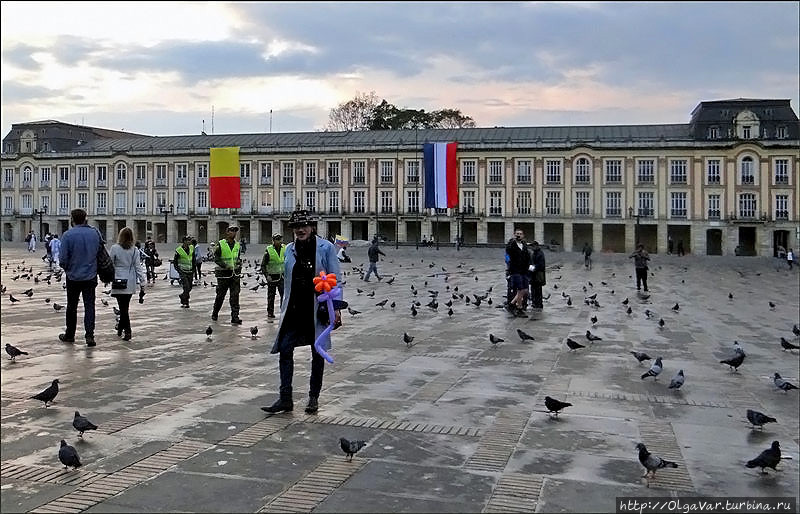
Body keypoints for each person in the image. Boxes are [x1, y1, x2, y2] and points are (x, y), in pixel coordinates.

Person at [261, 209, 343, 415]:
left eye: (304, 226)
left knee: (318, 354)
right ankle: (285, 398)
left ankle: (313, 397)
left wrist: (337, 309)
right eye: (296, 227)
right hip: (294, 309)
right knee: (285, 350)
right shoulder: (289, 249)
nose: (300, 230)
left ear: (312, 227)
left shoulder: (326, 248)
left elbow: (335, 279)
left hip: (316, 309)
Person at [58, 209, 101, 347]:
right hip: (90, 276)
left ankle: (70, 334)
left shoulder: (67, 235)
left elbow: (63, 259)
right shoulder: (95, 233)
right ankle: (89, 336)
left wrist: (69, 269)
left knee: (72, 306)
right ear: (85, 218)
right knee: (90, 306)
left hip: (73, 277)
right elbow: (99, 253)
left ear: (72, 219)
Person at [110, 227, 146, 341]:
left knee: (123, 307)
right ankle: (121, 328)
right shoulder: (135, 250)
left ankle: (128, 331)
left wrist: (107, 278)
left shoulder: (115, 248)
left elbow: (110, 264)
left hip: (117, 280)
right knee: (125, 307)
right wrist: (142, 282)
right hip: (129, 280)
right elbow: (138, 267)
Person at [211, 226, 243, 324]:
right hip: (223, 275)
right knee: (220, 296)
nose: (234, 233)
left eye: (235, 231)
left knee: (235, 296)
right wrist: (225, 266)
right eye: (232, 231)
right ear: (227, 232)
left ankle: (235, 317)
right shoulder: (221, 244)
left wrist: (239, 263)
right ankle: (215, 313)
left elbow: (237, 258)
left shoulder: (237, 245)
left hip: (234, 275)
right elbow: (216, 259)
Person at [505, 229, 530, 316]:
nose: (518, 235)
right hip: (515, 271)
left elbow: (527, 257)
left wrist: (529, 267)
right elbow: (507, 254)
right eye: (517, 234)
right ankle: (519, 308)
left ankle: (511, 304)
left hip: (524, 271)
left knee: (525, 290)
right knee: (520, 289)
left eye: (520, 234)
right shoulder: (512, 245)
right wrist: (509, 268)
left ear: (523, 235)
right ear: (514, 235)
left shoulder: (524, 245)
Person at [260, 233, 286, 319]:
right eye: (277, 239)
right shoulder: (269, 250)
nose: (279, 241)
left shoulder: (285, 248)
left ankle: (283, 311)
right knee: (271, 296)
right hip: (272, 277)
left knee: (283, 295)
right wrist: (267, 275)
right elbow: (263, 265)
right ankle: (270, 312)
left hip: (281, 276)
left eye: (280, 239)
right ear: (273, 240)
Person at [173, 236, 195, 308]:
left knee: (190, 287)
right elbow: (175, 262)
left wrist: (194, 269)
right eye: (188, 240)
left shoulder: (192, 248)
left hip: (190, 271)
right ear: (184, 241)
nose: (189, 242)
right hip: (183, 271)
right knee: (186, 287)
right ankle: (186, 302)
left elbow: (193, 259)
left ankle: (182, 296)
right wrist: (179, 270)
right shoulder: (178, 250)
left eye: (190, 240)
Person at [528, 241, 546, 309]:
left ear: (536, 246)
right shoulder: (535, 253)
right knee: (534, 289)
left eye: (532, 246)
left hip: (538, 275)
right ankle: (535, 303)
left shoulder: (539, 253)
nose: (531, 248)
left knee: (537, 290)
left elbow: (541, 265)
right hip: (534, 275)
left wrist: (533, 268)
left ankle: (538, 304)